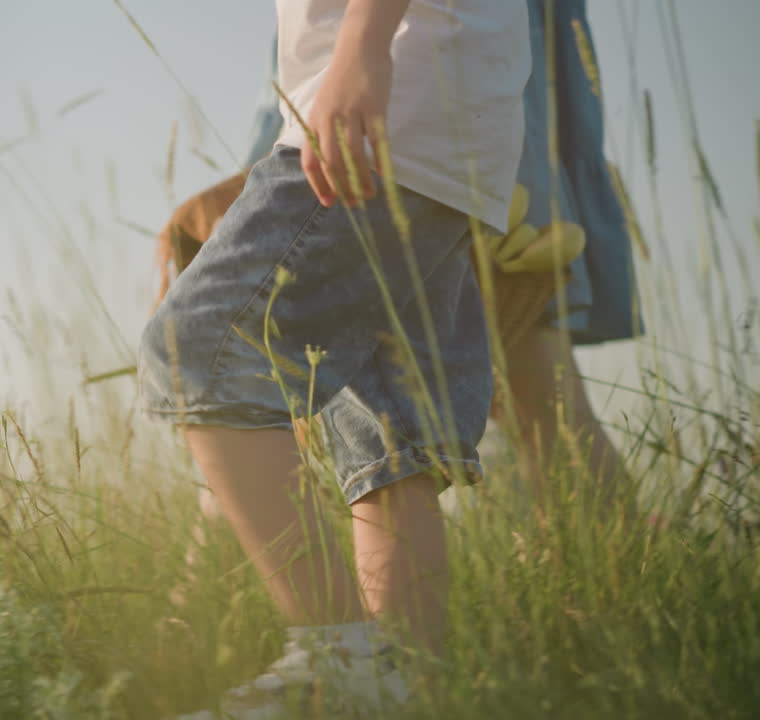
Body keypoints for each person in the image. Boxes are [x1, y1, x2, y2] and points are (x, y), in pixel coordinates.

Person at [139, 0, 531, 714]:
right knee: (389, 438)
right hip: (436, 114)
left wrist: (364, 42)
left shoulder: (380, 62)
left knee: (197, 348)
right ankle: (398, 696)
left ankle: (341, 664)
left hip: (393, 101)